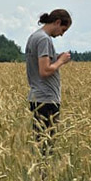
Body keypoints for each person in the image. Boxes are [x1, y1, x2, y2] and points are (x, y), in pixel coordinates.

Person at [26, 9, 71, 153]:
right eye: (63, 29)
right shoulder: (44, 39)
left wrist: (56, 58)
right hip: (46, 100)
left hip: (37, 98)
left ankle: (39, 174)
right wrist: (61, 61)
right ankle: (43, 176)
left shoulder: (34, 36)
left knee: (40, 144)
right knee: (46, 148)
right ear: (57, 22)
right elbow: (44, 71)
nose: (62, 34)